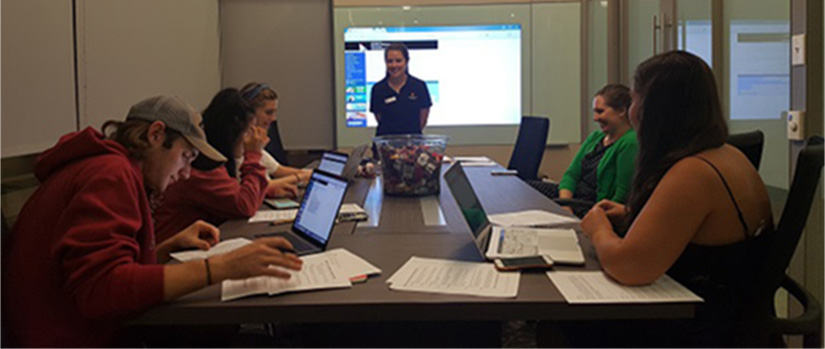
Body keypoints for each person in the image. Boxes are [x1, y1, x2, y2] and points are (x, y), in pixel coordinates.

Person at [3, 96, 302, 347]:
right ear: (156, 135)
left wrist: (167, 246)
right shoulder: (109, 175)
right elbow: (101, 290)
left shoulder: (106, 168)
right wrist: (223, 267)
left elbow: (99, 270)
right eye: (186, 156)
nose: (186, 172)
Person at [563, 51, 774, 346]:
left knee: (565, 323)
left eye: (635, 99)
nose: (632, 108)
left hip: (697, 327)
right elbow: (698, 232)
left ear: (654, 109)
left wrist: (598, 228)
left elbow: (629, 267)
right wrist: (629, 214)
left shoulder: (693, 173)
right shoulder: (728, 155)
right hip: (725, 314)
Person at [153, 89, 297, 243]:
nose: (249, 138)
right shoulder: (203, 168)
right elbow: (245, 205)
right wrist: (253, 155)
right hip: (171, 256)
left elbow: (229, 194)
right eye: (248, 131)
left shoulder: (210, 161)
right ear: (232, 133)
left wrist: (265, 189)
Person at [546, 84, 637, 217]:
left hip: (591, 207)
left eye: (600, 112)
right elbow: (571, 175)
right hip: (574, 200)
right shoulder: (595, 138)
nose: (595, 118)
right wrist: (566, 205)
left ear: (622, 111)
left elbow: (621, 195)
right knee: (528, 189)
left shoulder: (630, 142)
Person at [240, 82, 312, 194]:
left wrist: (312, 175)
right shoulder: (238, 146)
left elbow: (279, 170)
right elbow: (263, 186)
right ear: (249, 114)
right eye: (269, 112)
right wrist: (299, 177)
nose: (273, 119)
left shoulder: (255, 144)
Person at [369, 43, 432, 136]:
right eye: (390, 61)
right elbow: (379, 119)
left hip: (412, 145)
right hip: (385, 145)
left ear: (406, 61)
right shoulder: (378, 89)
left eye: (398, 61)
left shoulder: (419, 86)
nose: (394, 65)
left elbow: (422, 120)